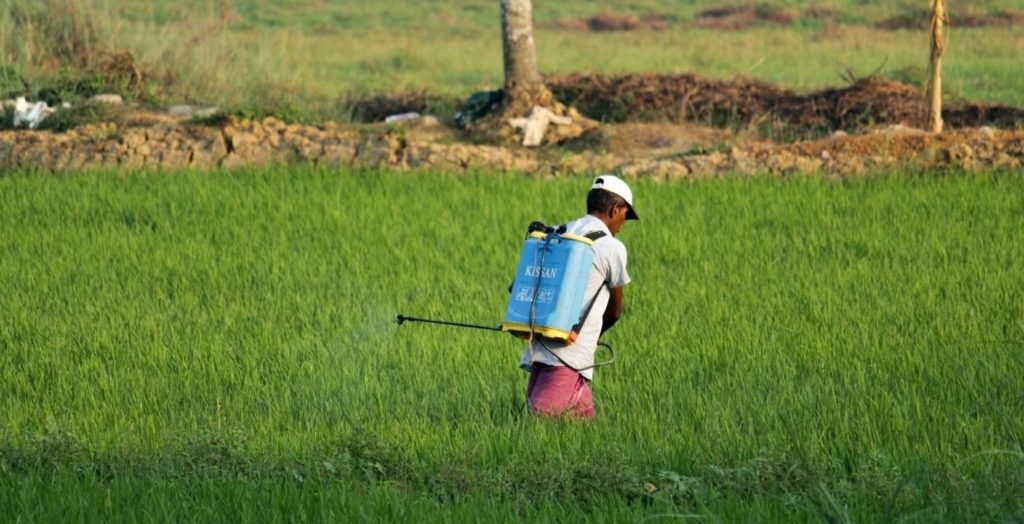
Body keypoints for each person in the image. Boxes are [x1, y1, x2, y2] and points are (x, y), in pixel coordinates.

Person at [519, 175, 638, 419]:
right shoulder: (611, 247)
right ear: (615, 210)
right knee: (540, 420)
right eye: (625, 216)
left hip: (540, 345)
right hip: (569, 355)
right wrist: (591, 337)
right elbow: (615, 311)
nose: (622, 225)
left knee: (579, 423)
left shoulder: (557, 232)